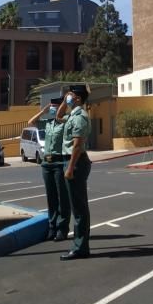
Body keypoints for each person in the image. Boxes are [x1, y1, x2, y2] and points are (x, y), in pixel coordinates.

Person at [56, 85, 92, 260]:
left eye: (70, 95)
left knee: (79, 208)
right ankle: (80, 246)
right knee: (77, 206)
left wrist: (70, 168)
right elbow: (58, 116)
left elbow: (77, 145)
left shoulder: (80, 118)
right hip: (71, 161)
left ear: (77, 98)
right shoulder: (73, 115)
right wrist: (64, 101)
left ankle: (80, 248)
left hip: (75, 162)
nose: (67, 97)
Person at [27, 98, 70, 240]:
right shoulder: (48, 123)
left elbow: (70, 122)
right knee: (51, 197)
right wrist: (43, 111)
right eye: (50, 106)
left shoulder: (65, 122)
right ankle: (52, 227)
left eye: (54, 107)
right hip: (46, 163)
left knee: (61, 197)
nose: (51, 109)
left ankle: (62, 228)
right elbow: (31, 122)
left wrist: (61, 111)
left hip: (59, 163)